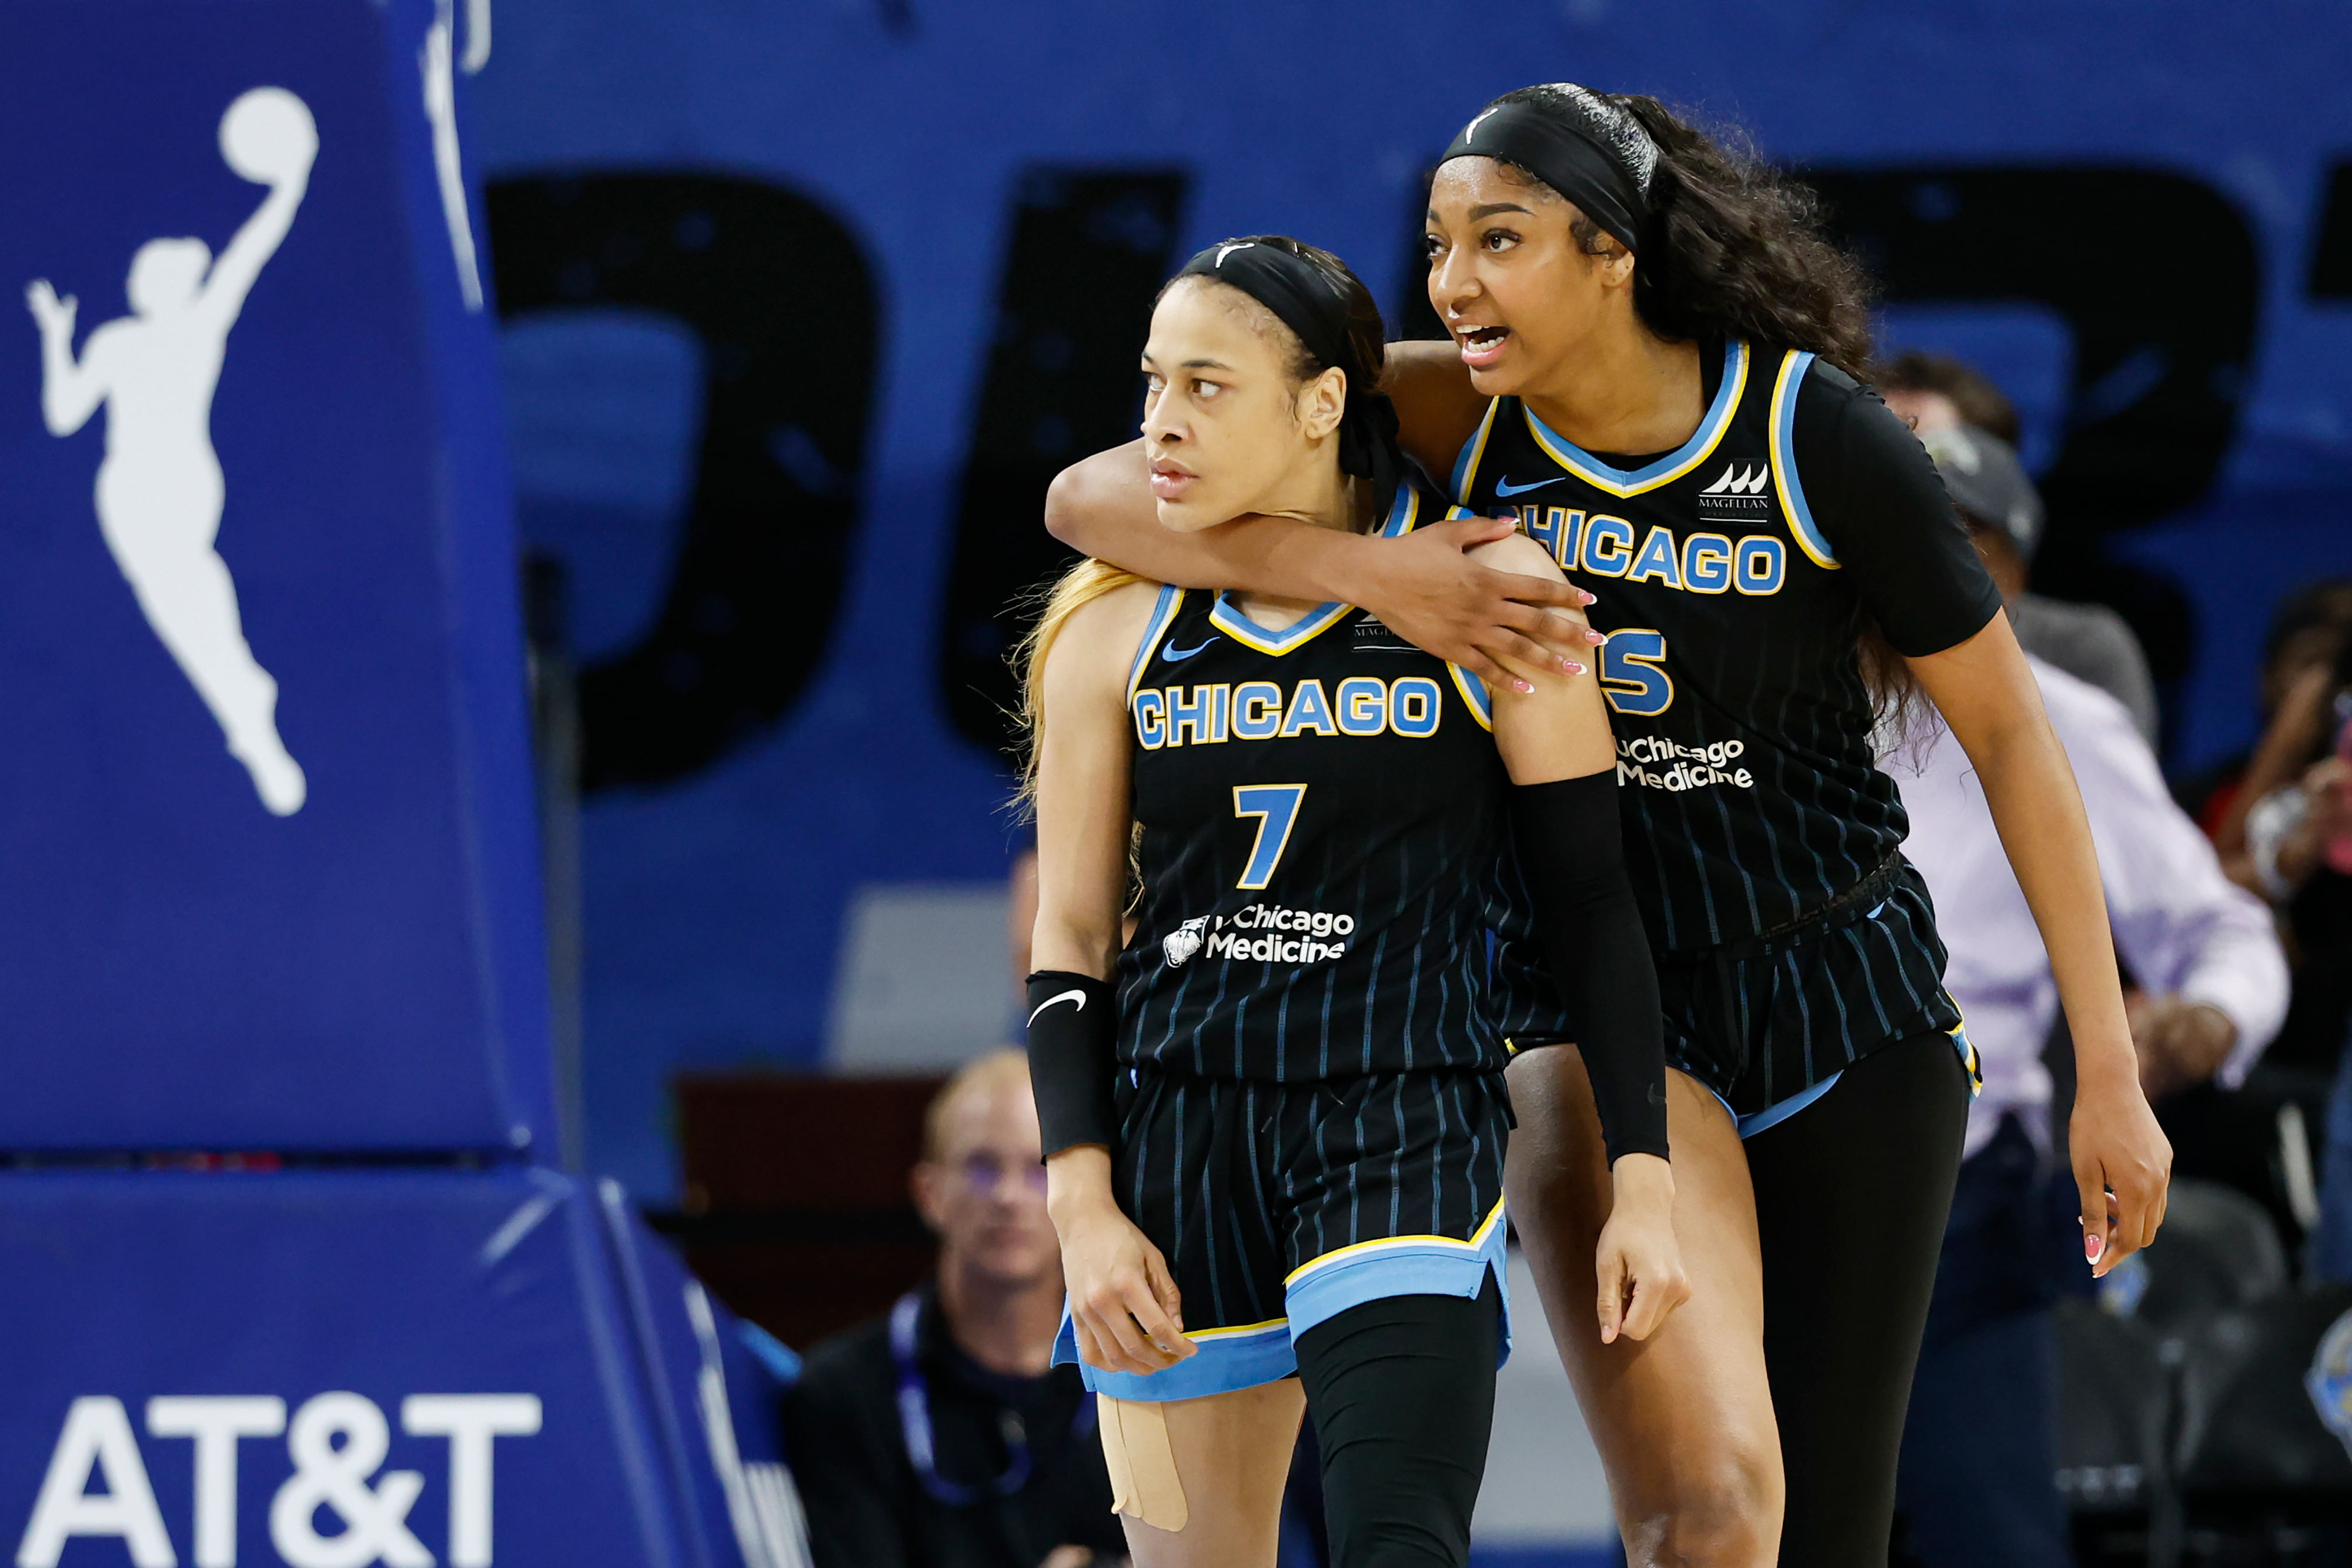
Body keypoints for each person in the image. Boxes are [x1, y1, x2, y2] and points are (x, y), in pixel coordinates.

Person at [1045, 85, 2173, 1568]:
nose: (1450, 282)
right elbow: (1092, 498)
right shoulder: (1464, 408)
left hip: (1841, 999)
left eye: (1495, 241)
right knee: (1702, 1516)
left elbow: (2015, 740)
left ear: (1612, 252)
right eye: (1440, 243)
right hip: (1595, 1002)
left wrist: (2106, 1068)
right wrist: (1376, 576)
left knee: (1829, 1525)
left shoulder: (1813, 435)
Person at [1023, 235, 1684, 1568]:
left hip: (1399, 1113)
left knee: (1397, 1547)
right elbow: (1072, 945)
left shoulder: (1493, 602)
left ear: (1321, 402)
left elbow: (1593, 901)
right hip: (1176, 1142)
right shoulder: (1111, 625)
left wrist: (1644, 1175)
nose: (1161, 419)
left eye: (1206, 386)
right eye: (1151, 382)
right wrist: (1081, 1210)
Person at [1886, 649, 2287, 1568]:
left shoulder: (2055, 714)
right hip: (1746, 1194)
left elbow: (2218, 929)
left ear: (2014, 571)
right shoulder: (1722, 676)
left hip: (1962, 1211)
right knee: (1721, 1528)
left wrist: (2209, 1019)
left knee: (1995, 1540)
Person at [24, 86, 316, 815]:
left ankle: (247, 710)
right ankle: (245, 699)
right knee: (177, 596)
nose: (143, 283)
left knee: (179, 594)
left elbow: (250, 253)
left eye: (155, 274)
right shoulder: (119, 340)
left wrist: (294, 182)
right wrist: (56, 339)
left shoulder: (196, 327)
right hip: (128, 488)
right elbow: (62, 416)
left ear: (175, 284)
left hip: (173, 481)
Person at [784, 1051, 1122, 1568]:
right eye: (982, 1168)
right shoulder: (842, 1394)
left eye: (1040, 1169)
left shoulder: (1149, 1379)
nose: (1009, 1196)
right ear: (929, 1192)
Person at [1876, 362, 2160, 744]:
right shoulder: (1814, 647)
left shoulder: (2079, 653)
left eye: (1960, 524)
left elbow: (2114, 798)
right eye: (1873, 448)